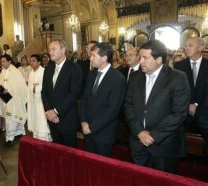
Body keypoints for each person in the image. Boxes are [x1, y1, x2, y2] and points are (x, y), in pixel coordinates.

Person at [124, 40, 190, 173]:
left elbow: (179, 113)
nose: (140, 61)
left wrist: (153, 136)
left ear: (159, 59)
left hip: (164, 145)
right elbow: (128, 106)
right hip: (138, 143)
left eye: (145, 58)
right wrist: (139, 132)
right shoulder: (136, 76)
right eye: (140, 57)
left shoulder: (177, 78)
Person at [80, 42, 126, 156]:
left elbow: (113, 110)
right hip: (87, 129)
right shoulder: (91, 74)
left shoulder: (117, 78)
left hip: (104, 133)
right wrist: (84, 121)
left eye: (94, 55)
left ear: (104, 58)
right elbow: (84, 99)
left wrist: (92, 127)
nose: (90, 58)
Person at [41, 39, 83, 147]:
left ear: (63, 50)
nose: (50, 52)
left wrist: (56, 112)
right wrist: (48, 110)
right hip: (51, 118)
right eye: (49, 49)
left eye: (53, 49)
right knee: (57, 149)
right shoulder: (48, 68)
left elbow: (73, 94)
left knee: (70, 151)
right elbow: (44, 91)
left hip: (67, 118)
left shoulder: (74, 68)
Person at [174, 37, 208, 156]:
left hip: (204, 112)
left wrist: (196, 105)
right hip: (184, 111)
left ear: (201, 48)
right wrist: (187, 104)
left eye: (190, 45)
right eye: (185, 45)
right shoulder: (178, 66)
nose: (186, 48)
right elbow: (177, 90)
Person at [0, 54, 28, 146]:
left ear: (9, 61)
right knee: (13, 117)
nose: (2, 63)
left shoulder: (15, 71)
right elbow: (2, 82)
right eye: (1, 61)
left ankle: (10, 138)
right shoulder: (3, 71)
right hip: (6, 98)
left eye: (4, 61)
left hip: (15, 99)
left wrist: (10, 90)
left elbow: (20, 85)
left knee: (10, 118)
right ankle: (19, 132)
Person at [27, 54, 51, 141]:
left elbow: (46, 86)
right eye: (30, 61)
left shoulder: (44, 71)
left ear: (39, 62)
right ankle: (36, 134)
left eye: (33, 60)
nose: (31, 62)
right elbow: (29, 86)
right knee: (35, 118)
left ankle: (45, 137)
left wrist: (36, 89)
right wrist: (31, 89)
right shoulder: (30, 73)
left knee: (42, 119)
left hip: (42, 101)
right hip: (33, 100)